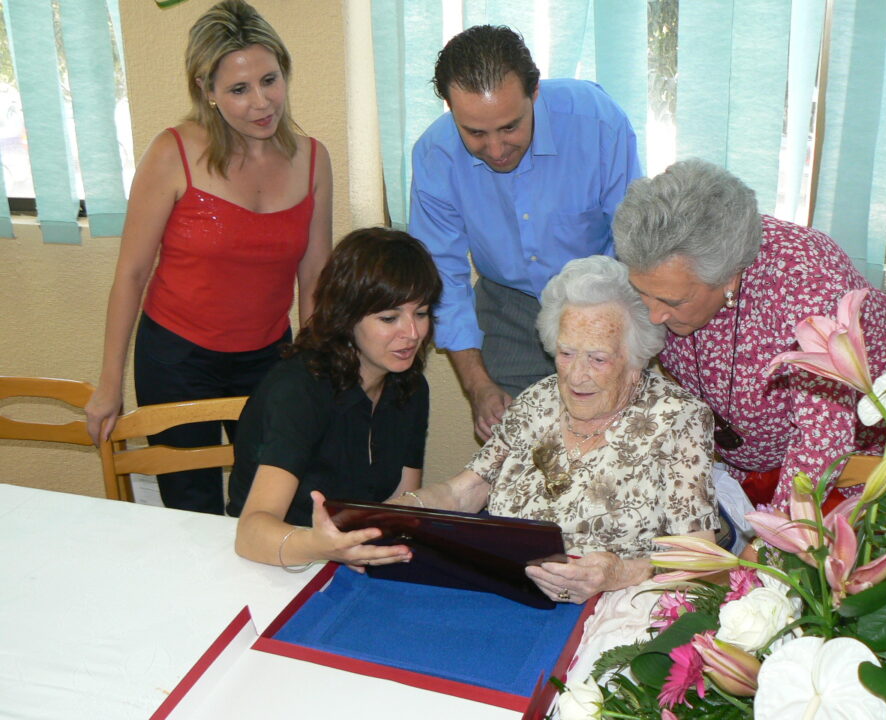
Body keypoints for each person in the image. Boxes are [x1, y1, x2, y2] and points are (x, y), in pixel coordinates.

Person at [84, 0, 332, 514]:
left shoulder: (313, 160)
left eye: (270, 80)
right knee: (190, 508)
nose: (261, 102)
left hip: (271, 357)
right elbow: (131, 274)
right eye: (239, 89)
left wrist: (315, 372)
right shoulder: (172, 153)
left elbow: (315, 280)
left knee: (272, 506)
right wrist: (109, 384)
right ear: (207, 91)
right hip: (177, 359)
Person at [392, 255, 719, 604]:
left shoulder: (678, 418)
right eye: (566, 353)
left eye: (598, 359)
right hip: (509, 591)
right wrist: (388, 517)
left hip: (611, 605)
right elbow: (464, 491)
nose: (576, 376)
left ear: (637, 358)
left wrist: (620, 573)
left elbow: (702, 562)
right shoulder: (538, 399)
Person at [614, 159, 886, 511]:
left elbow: (823, 440)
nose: (654, 315)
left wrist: (776, 535)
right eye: (642, 293)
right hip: (738, 471)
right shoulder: (664, 264)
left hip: (844, 476)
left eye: (672, 302)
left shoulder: (809, 282)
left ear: (730, 278)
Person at [409, 25, 642, 441]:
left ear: (534, 92)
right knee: (519, 450)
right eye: (475, 133)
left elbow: (634, 243)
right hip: (508, 306)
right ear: (450, 108)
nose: (496, 150)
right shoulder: (435, 155)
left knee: (610, 446)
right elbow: (442, 276)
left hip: (603, 298)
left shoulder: (597, 121)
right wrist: (478, 386)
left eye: (510, 127)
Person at [227, 227, 442, 569]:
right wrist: (322, 547)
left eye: (421, 313)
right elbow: (250, 533)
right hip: (274, 559)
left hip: (351, 553)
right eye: (389, 318)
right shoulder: (299, 389)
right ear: (346, 316)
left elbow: (399, 504)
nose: (413, 334)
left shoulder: (410, 385)